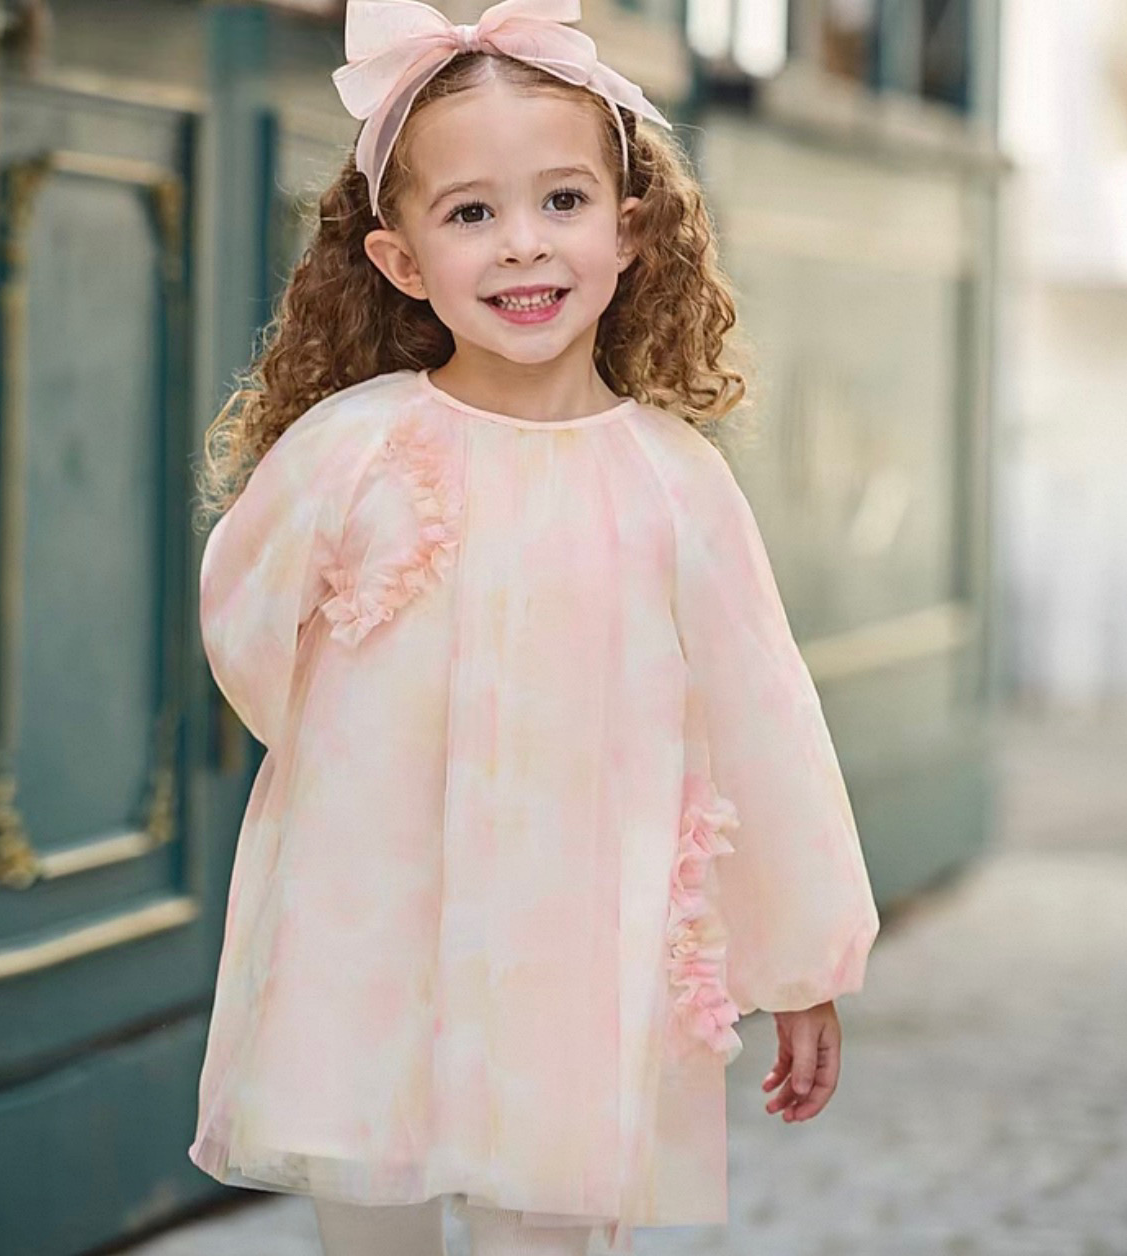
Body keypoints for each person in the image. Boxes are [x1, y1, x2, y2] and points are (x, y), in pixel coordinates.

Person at [186, 1, 882, 1253]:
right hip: (372, 919)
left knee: (549, 1219)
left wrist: (802, 961)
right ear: (402, 258)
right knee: (372, 1207)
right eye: (470, 213)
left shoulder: (673, 483)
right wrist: (359, 761)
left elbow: (767, 720)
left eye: (563, 201)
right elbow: (246, 623)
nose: (524, 245)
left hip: (577, 942)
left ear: (629, 229)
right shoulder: (355, 452)